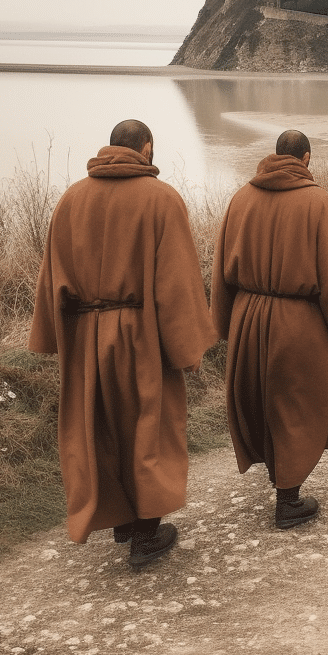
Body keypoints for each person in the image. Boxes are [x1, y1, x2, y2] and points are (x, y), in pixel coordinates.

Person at [29, 119, 216, 568]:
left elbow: (53, 277)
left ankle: (125, 522)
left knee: (102, 427)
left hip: (86, 335)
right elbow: (175, 285)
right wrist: (188, 350)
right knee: (147, 426)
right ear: (146, 149)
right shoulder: (162, 199)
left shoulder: (71, 199)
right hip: (139, 333)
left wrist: (55, 338)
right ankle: (146, 535)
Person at [211, 129, 328, 529]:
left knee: (264, 398)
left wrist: (225, 323)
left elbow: (221, 270)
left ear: (274, 155)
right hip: (298, 321)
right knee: (297, 403)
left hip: (248, 314)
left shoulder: (241, 198)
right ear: (307, 158)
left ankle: (280, 480)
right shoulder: (318, 201)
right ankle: (288, 500)